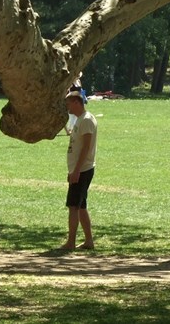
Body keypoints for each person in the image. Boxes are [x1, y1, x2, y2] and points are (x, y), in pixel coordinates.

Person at [61, 88, 97, 250]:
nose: (67, 107)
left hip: (82, 170)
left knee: (73, 206)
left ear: (77, 102)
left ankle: (71, 242)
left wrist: (76, 170)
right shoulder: (79, 120)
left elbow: (86, 147)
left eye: (68, 103)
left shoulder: (86, 120)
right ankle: (89, 241)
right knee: (81, 206)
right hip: (78, 169)